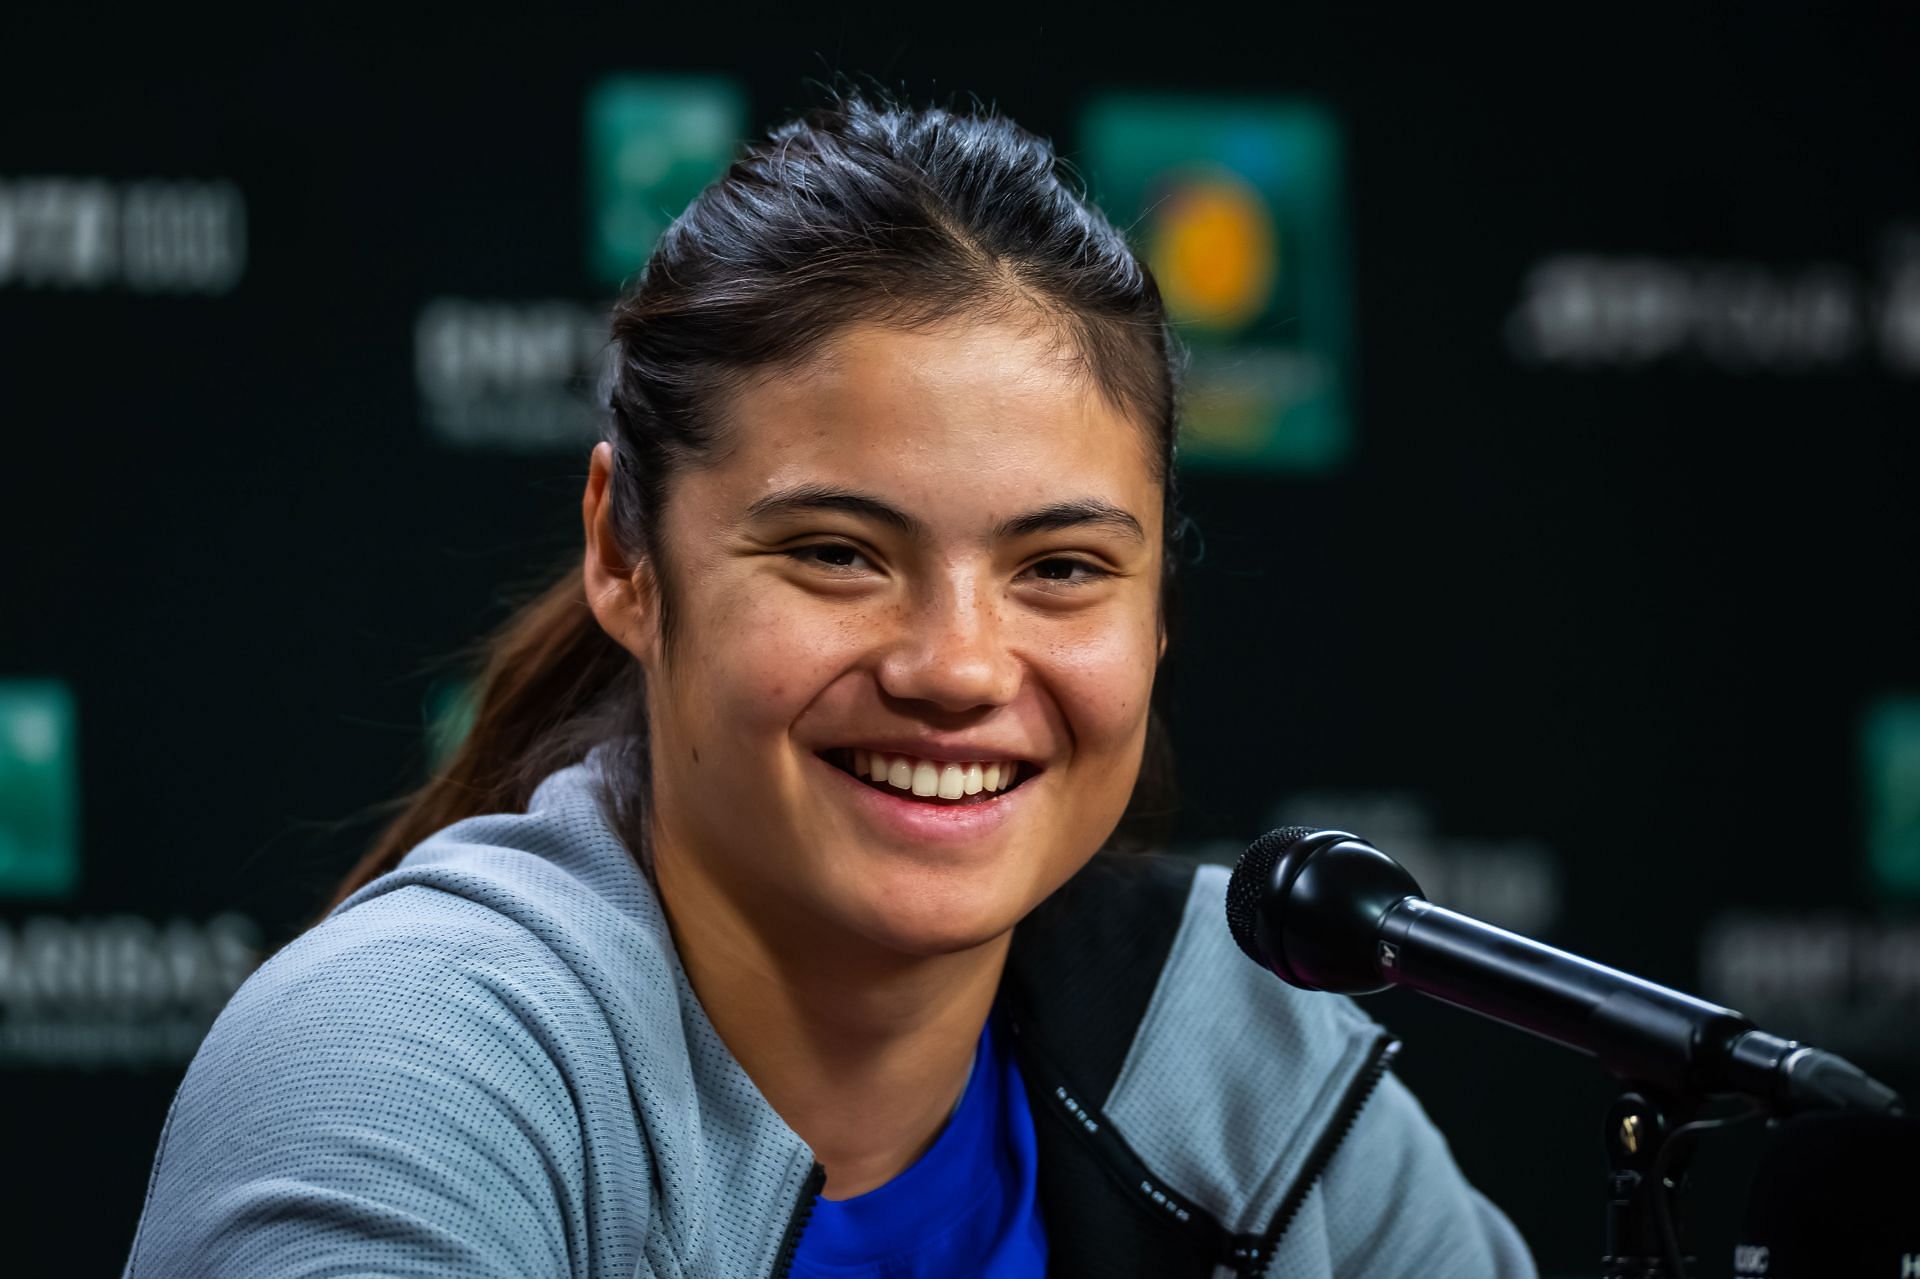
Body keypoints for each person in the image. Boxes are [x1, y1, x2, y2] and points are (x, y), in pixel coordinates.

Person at [124, 97, 1535, 1278]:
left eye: (1060, 568)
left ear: (1160, 603)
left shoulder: (1247, 1053)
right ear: (627, 557)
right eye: (839, 554)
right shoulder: (401, 1067)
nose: (960, 668)